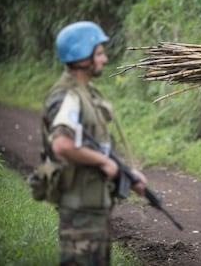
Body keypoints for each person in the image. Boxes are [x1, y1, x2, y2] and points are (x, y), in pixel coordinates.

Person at [42, 21, 147, 265]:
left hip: (92, 203)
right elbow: (62, 144)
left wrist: (127, 174)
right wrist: (103, 162)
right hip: (79, 208)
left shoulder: (85, 93)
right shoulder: (67, 95)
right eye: (99, 53)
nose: (105, 59)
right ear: (81, 57)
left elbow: (95, 145)